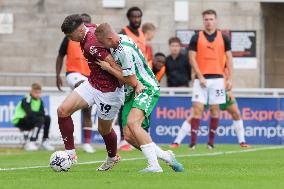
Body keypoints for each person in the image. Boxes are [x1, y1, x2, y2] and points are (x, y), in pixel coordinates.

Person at [95, 23, 184, 173]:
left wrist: (109, 68)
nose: (102, 46)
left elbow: (131, 81)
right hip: (131, 93)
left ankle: (154, 166)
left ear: (110, 38)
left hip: (145, 87)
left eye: (103, 43)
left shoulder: (125, 51)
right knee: (129, 136)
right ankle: (165, 156)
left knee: (133, 123)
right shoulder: (119, 39)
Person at [59, 14, 125, 171]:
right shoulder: (90, 28)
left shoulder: (92, 44)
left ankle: (112, 157)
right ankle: (70, 154)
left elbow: (117, 68)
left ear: (80, 30)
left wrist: (128, 83)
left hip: (110, 91)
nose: (69, 39)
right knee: (63, 110)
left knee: (104, 130)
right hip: (92, 83)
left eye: (70, 35)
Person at [189, 9, 233, 149]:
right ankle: (193, 142)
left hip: (218, 79)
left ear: (216, 20)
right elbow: (191, 57)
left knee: (215, 110)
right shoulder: (196, 37)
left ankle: (211, 143)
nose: (209, 22)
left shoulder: (224, 37)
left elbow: (230, 58)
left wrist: (229, 78)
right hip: (201, 79)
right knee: (197, 109)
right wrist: (199, 76)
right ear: (203, 20)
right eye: (206, 19)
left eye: (211, 19)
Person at [55, 13, 95, 153]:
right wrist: (57, 75)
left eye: (87, 22)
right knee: (82, 86)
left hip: (90, 75)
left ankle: (87, 142)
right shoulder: (69, 38)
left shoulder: (93, 38)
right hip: (73, 73)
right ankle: (70, 108)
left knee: (87, 109)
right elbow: (60, 56)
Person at [170, 90, 251, 148]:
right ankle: (177, 142)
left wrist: (229, 90)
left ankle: (242, 142)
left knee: (236, 113)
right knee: (194, 115)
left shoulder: (225, 66)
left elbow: (228, 73)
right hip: (209, 90)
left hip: (223, 91)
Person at [12, 83, 54, 151]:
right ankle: (32, 141)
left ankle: (44, 141)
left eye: (39, 93)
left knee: (47, 118)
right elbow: (29, 113)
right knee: (40, 119)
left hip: (31, 119)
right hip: (20, 120)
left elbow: (43, 113)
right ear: (31, 91)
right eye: (36, 92)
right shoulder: (26, 99)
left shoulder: (40, 101)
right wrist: (39, 114)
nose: (37, 94)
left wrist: (38, 114)